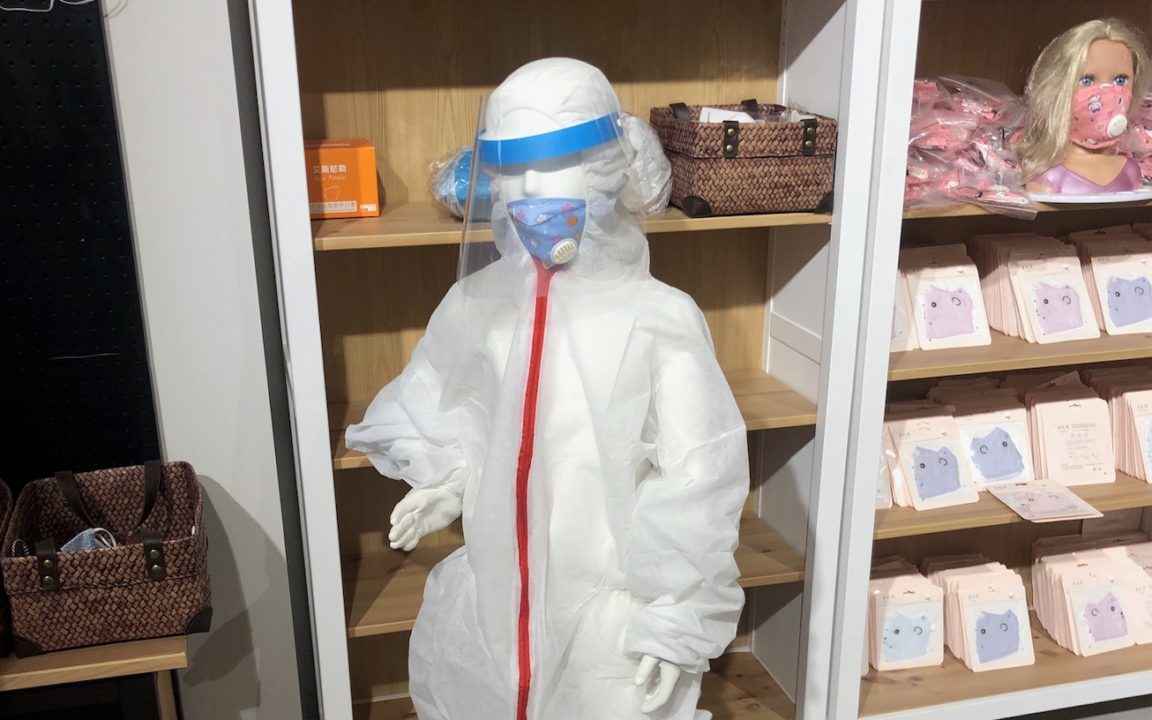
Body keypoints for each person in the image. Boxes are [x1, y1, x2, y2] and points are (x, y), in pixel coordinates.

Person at [346, 58, 748, 720]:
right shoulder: (477, 304)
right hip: (496, 608)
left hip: (609, 616)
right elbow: (461, 411)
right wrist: (451, 481)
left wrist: (676, 622)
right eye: (513, 169)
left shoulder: (658, 318)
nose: (530, 189)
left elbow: (698, 476)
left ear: (606, 167)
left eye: (554, 164)